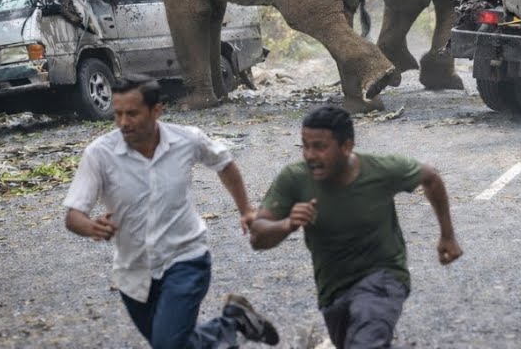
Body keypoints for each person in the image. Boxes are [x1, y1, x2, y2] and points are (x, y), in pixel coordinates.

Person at [63, 75, 279, 349]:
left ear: (156, 110)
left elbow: (224, 163)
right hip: (134, 272)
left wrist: (246, 208)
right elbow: (73, 214)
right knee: (177, 344)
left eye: (132, 113)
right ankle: (235, 322)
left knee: (168, 345)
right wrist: (91, 226)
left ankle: (231, 324)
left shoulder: (186, 139)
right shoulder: (99, 154)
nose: (123, 123)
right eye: (117, 114)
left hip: (186, 260)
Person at [249, 104, 462, 349]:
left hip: (384, 276)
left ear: (346, 146)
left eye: (320, 146)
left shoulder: (380, 169)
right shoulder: (295, 179)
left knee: (366, 340)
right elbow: (257, 236)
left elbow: (431, 177)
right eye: (305, 146)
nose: (310, 155)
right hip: (333, 290)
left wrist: (447, 236)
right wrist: (286, 225)